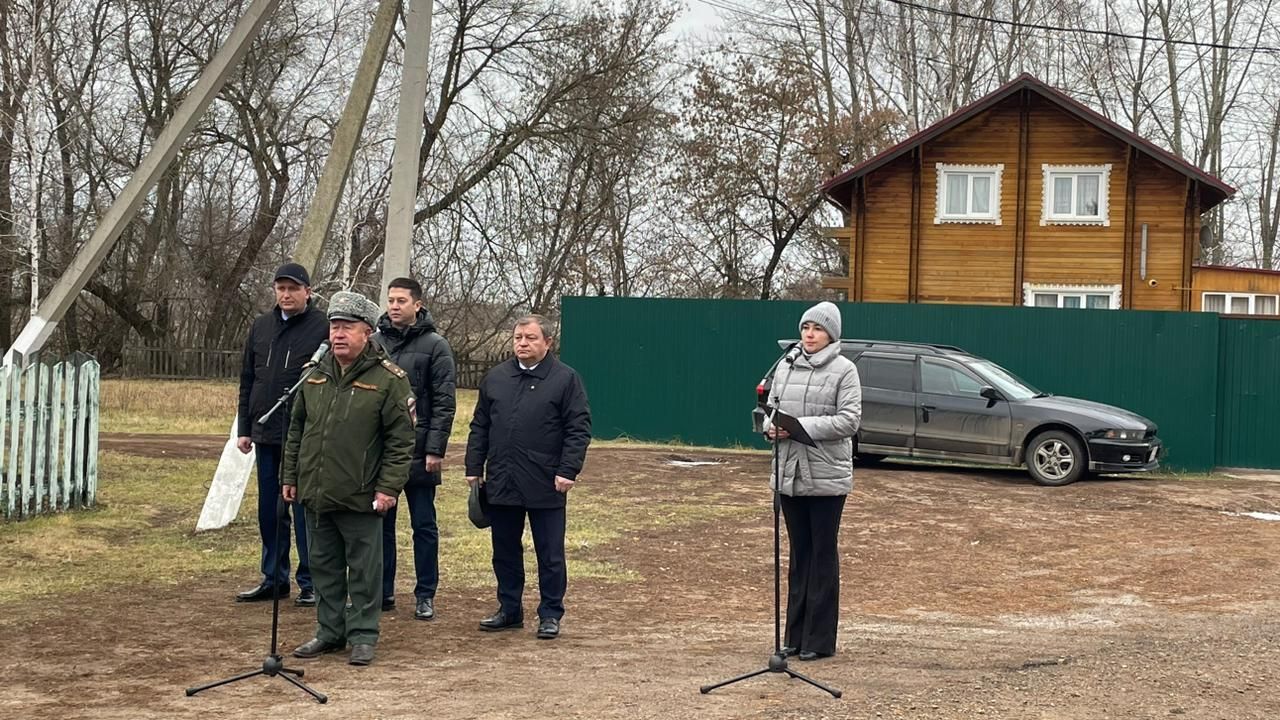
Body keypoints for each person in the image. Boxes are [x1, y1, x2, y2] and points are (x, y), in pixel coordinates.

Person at [283, 291, 415, 667]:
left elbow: (401, 440)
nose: (338, 334)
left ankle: (362, 636)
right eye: (334, 327)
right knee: (323, 566)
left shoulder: (390, 381)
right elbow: (297, 430)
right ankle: (329, 631)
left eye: (347, 328)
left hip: (361, 493)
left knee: (363, 570)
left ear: (367, 333)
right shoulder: (314, 374)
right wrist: (290, 475)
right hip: (316, 491)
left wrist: (388, 487)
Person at [465, 314, 591, 640]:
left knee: (549, 553)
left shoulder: (565, 380)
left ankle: (550, 614)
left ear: (548, 342)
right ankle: (509, 609)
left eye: (530, 337)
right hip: (502, 479)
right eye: (518, 337)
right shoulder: (496, 378)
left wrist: (568, 470)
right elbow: (480, 426)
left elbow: (578, 429)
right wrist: (473, 467)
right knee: (504, 550)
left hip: (546, 481)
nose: (522, 343)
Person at [763, 301, 861, 662]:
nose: (809, 334)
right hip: (788, 474)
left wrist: (801, 428)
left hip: (826, 476)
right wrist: (770, 427)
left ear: (831, 334)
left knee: (821, 555)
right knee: (798, 555)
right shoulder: (786, 365)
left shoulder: (844, 370)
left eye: (817, 329)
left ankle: (819, 640)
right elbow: (770, 407)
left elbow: (849, 420)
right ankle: (794, 636)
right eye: (806, 327)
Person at [234, 263, 328, 606]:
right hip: (266, 432)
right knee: (270, 510)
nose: (286, 295)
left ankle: (311, 580)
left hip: (303, 435)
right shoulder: (261, 327)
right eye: (280, 289)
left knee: (303, 509)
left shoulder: (322, 328)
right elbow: (248, 380)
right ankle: (274, 577)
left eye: (293, 289)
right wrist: (245, 428)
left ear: (308, 291)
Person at [373, 277, 456, 620]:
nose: (394, 306)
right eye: (391, 300)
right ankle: (382, 591)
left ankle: (425, 594)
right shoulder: (374, 343)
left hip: (421, 452)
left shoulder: (436, 346)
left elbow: (443, 402)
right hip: (381, 453)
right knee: (380, 526)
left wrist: (434, 449)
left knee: (423, 525)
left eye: (401, 300)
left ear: (417, 304)